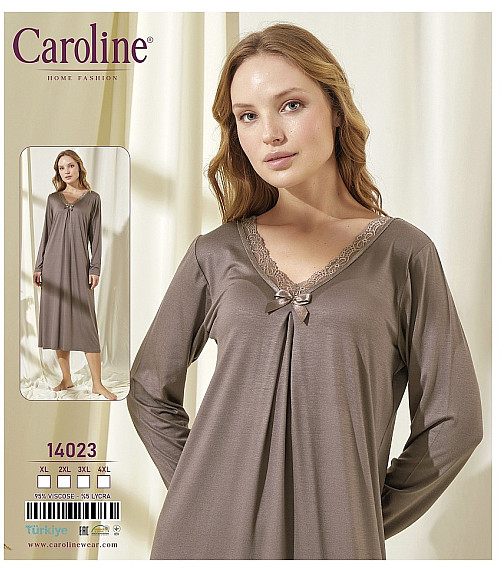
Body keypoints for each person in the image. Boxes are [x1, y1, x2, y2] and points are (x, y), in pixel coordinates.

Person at [127, 24, 483, 559]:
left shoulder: (405, 255)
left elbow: (454, 421)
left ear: (335, 108)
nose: (269, 133)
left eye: (290, 105)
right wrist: (208, 497)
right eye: (247, 116)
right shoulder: (215, 254)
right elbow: (148, 389)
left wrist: (356, 517)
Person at [33, 149, 117, 401]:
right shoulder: (53, 199)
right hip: (53, 267)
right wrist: (39, 266)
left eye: (70, 166)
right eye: (61, 168)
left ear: (79, 167)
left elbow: (96, 237)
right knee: (58, 322)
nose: (66, 171)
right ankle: (66, 378)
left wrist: (95, 268)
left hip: (80, 266)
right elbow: (46, 234)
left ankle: (97, 383)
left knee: (86, 324)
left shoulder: (93, 199)